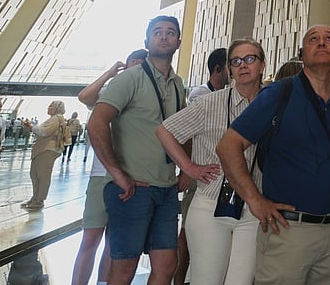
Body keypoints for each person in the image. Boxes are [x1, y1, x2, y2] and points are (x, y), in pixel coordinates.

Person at [217, 25, 330, 285]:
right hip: (288, 230)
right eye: (313, 40)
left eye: (329, 40)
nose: (322, 43)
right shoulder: (280, 93)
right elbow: (227, 146)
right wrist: (255, 200)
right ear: (302, 53)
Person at [157, 38, 267, 285]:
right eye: (235, 61)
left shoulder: (271, 103)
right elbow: (165, 131)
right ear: (229, 68)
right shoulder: (210, 103)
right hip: (210, 206)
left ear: (262, 65)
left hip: (254, 206)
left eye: (250, 59)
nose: (242, 66)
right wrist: (188, 168)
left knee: (241, 280)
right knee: (206, 279)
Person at [88, 16, 187, 285]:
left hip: (166, 189)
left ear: (178, 42)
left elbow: (183, 129)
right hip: (133, 190)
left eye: (170, 33)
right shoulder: (130, 78)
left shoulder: (178, 85)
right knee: (123, 267)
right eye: (157, 32)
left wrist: (186, 170)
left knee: (167, 266)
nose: (164, 37)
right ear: (147, 41)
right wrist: (117, 173)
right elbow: (97, 122)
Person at [72, 49, 148, 285]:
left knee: (113, 242)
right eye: (134, 63)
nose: (137, 68)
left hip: (132, 174)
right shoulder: (111, 90)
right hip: (101, 174)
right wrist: (110, 73)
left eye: (142, 65)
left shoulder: (146, 95)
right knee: (90, 237)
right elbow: (85, 97)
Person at [177, 46, 229, 285]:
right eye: (232, 64)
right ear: (218, 69)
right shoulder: (201, 96)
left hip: (217, 179)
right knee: (188, 236)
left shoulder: (225, 95)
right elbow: (180, 134)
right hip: (200, 180)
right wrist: (188, 169)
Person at [21, 100, 67, 209]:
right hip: (42, 149)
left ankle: (39, 200)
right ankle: (35, 197)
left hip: (47, 150)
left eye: (51, 106)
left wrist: (31, 126)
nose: (48, 108)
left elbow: (44, 132)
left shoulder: (56, 119)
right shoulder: (54, 119)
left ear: (56, 108)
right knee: (35, 174)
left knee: (42, 176)